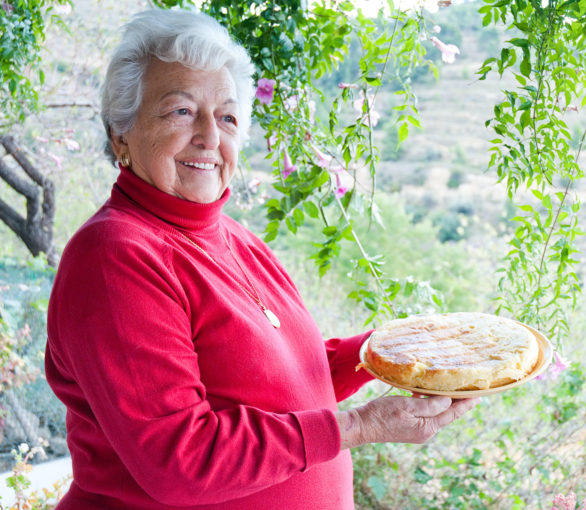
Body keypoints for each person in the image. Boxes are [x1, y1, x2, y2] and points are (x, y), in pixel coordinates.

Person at [44, 8, 476, 510]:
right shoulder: (116, 256)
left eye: (227, 117)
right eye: (182, 111)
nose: (210, 136)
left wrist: (392, 350)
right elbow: (178, 460)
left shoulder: (238, 241)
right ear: (122, 134)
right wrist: (360, 425)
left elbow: (291, 384)